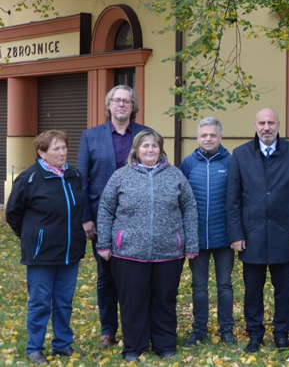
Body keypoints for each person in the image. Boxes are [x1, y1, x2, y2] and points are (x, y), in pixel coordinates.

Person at [95, 130, 198, 362]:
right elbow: (105, 209)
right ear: (136, 149)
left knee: (164, 300)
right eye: (145, 146)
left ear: (161, 149)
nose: (150, 150)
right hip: (129, 252)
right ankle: (134, 347)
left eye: (154, 146)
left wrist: (191, 243)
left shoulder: (176, 176)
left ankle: (165, 345)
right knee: (133, 302)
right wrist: (104, 243)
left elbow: (189, 209)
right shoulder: (121, 176)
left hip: (169, 251)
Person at [227, 108, 289, 354]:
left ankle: (281, 333)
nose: (266, 127)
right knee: (252, 290)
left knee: (284, 290)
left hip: (285, 234)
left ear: (278, 125)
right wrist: (236, 235)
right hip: (251, 235)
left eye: (271, 123)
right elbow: (232, 199)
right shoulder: (241, 154)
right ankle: (255, 334)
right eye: (262, 123)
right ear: (255, 125)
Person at [77, 85, 150, 349]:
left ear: (133, 106)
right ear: (109, 105)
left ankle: (138, 327)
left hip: (139, 219)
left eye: (126, 101)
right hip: (101, 219)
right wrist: (86, 218)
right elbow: (82, 180)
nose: (121, 105)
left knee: (137, 276)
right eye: (117, 101)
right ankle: (108, 330)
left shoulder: (145, 135)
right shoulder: (90, 136)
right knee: (106, 277)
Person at [6, 131, 87, 365]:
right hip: (41, 254)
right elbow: (13, 212)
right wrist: (33, 236)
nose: (62, 153)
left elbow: (78, 209)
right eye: (56, 149)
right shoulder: (30, 178)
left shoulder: (74, 175)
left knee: (64, 300)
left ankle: (62, 344)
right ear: (41, 152)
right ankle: (35, 348)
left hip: (70, 253)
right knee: (40, 300)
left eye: (64, 147)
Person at [179, 117, 236, 346]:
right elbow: (180, 199)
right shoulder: (188, 163)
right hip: (197, 239)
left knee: (225, 285)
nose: (208, 139)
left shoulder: (231, 162)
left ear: (220, 137)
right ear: (198, 138)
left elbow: (238, 199)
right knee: (199, 287)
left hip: (224, 238)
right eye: (204, 135)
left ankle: (227, 330)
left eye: (213, 135)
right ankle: (199, 330)